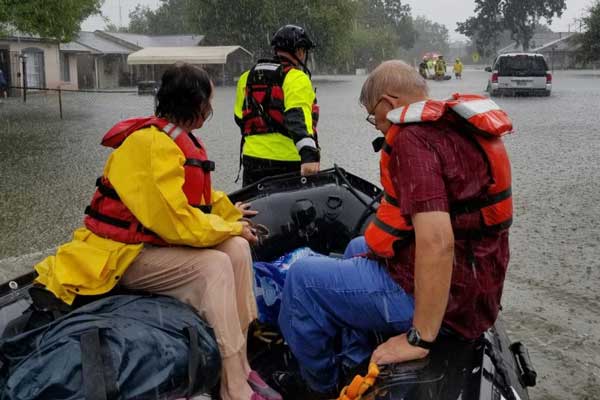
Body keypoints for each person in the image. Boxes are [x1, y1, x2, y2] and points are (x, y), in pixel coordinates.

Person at [34, 64, 282, 400]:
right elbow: (176, 221)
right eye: (208, 102)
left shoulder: (170, 139)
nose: (210, 110)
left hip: (148, 247)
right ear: (197, 106)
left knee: (237, 249)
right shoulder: (150, 144)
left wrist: (228, 215)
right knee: (215, 265)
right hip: (121, 256)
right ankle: (232, 386)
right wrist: (228, 226)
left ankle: (240, 363)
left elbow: (200, 199)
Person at [277, 60, 513, 397]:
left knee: (301, 280)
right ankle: (355, 359)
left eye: (373, 117)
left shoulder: (413, 141)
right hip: (475, 288)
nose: (375, 126)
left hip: (448, 304)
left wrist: (420, 337)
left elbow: (437, 242)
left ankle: (321, 385)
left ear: (388, 103)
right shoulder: (454, 128)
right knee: (357, 247)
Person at [234, 24, 320, 187]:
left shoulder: (246, 77)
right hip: (287, 162)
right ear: (300, 51)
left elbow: (239, 118)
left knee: (254, 210)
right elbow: (297, 118)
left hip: (252, 161)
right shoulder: (297, 78)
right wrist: (309, 156)